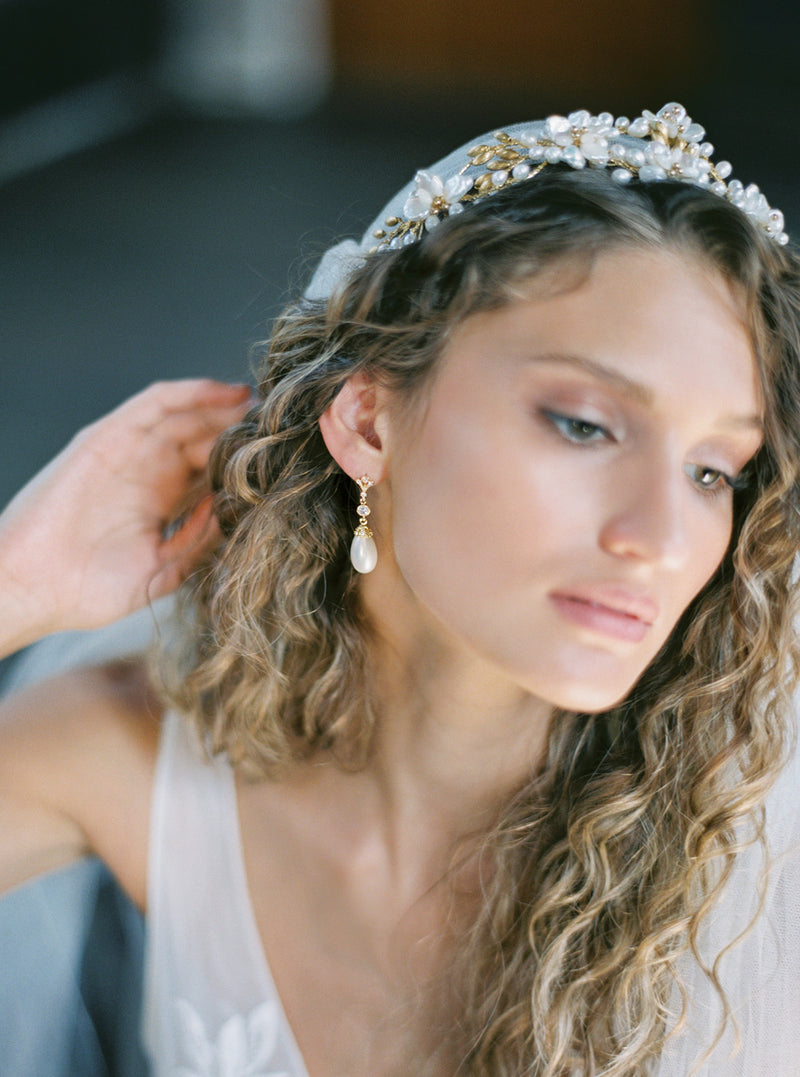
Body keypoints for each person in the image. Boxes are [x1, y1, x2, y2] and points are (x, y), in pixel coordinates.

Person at [1, 103, 800, 1076]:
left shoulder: (754, 849)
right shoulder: (134, 753)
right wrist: (16, 580)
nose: (662, 540)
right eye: (584, 425)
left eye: (712, 471)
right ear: (370, 423)